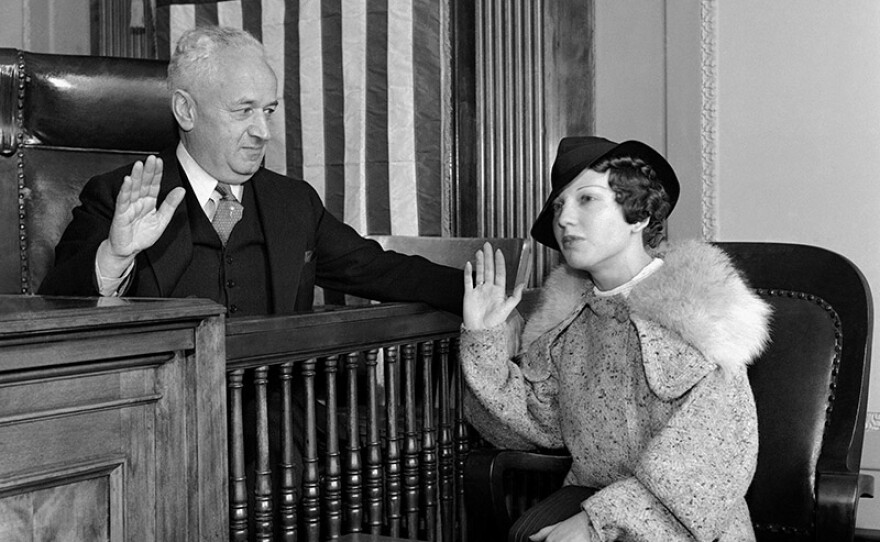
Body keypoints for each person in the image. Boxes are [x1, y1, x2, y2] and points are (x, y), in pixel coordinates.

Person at [461, 136, 771, 541]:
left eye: (586, 199)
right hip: (590, 505)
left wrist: (598, 523)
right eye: (558, 206)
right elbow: (527, 425)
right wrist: (484, 337)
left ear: (639, 214)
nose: (564, 220)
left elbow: (710, 465)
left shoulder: (698, 317)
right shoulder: (570, 327)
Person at [38, 25, 462, 316]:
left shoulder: (294, 202)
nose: (262, 132)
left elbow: (380, 270)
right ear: (186, 109)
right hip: (164, 430)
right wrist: (114, 257)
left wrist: (487, 291)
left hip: (278, 431)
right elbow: (55, 306)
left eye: (269, 110)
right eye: (243, 111)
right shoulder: (116, 196)